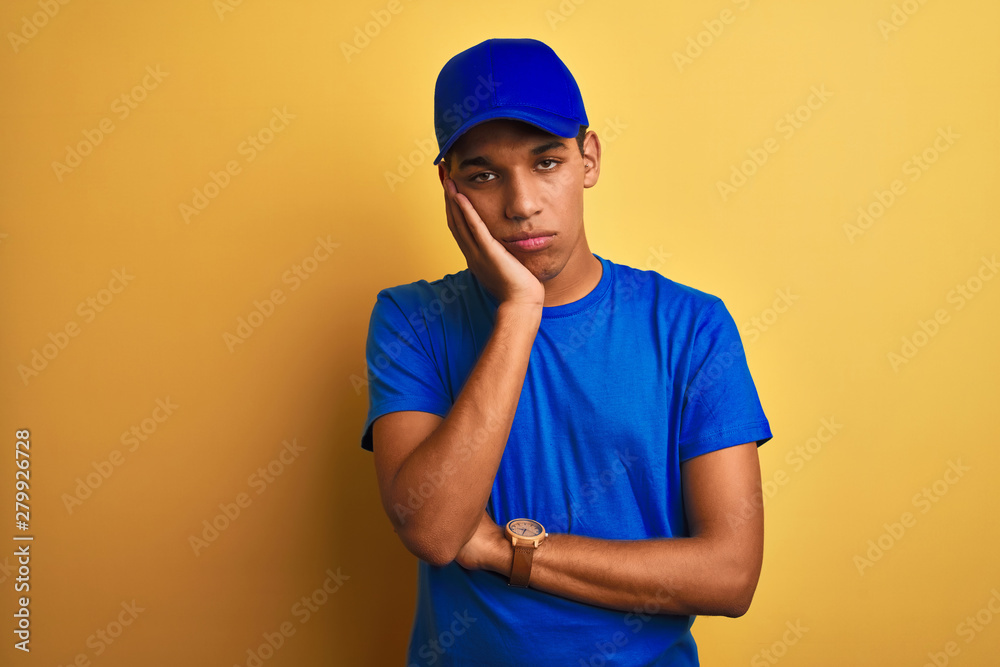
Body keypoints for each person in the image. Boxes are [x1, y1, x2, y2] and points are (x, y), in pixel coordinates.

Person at [359, 37, 773, 666]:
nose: (522, 205)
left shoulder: (691, 326)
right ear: (450, 188)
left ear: (589, 159)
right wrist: (519, 312)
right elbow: (434, 531)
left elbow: (730, 573)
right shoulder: (411, 321)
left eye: (546, 162)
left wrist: (506, 550)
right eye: (483, 174)